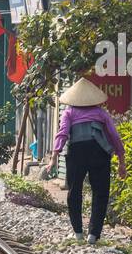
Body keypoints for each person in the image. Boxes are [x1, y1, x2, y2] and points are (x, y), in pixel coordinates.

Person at [48, 78, 125, 244]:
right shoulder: (101, 113)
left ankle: (78, 233)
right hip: (99, 153)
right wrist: (121, 161)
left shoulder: (68, 113)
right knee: (101, 193)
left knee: (74, 192)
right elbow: (114, 136)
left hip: (77, 152)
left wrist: (54, 156)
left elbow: (62, 133)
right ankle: (93, 235)